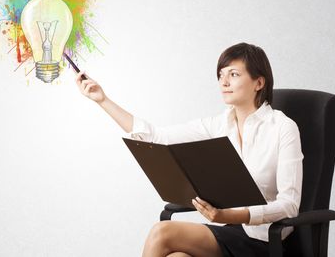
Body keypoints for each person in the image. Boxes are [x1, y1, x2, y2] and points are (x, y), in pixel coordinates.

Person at [75, 42, 303, 257]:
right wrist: (102, 100)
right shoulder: (221, 124)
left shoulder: (283, 128)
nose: (224, 82)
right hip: (233, 230)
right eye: (221, 75)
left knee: (161, 232)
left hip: (268, 241)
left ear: (259, 83)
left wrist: (230, 215)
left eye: (233, 74)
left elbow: (289, 205)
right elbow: (157, 137)